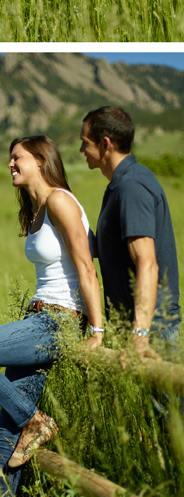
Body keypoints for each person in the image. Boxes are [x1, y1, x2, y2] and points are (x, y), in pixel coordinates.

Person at [0, 137, 104, 497]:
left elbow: (85, 266)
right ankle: (24, 430)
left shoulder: (60, 200)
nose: (10, 164)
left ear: (40, 159)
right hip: (39, 319)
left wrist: (96, 330)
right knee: (7, 438)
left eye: (17, 157)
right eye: (10, 159)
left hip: (56, 322)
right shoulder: (36, 209)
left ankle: (35, 419)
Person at [79, 106, 181, 359]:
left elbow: (147, 263)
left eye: (85, 143)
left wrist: (140, 337)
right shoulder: (122, 184)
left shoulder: (131, 186)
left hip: (153, 332)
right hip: (142, 329)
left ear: (105, 144)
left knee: (166, 400)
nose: (81, 151)